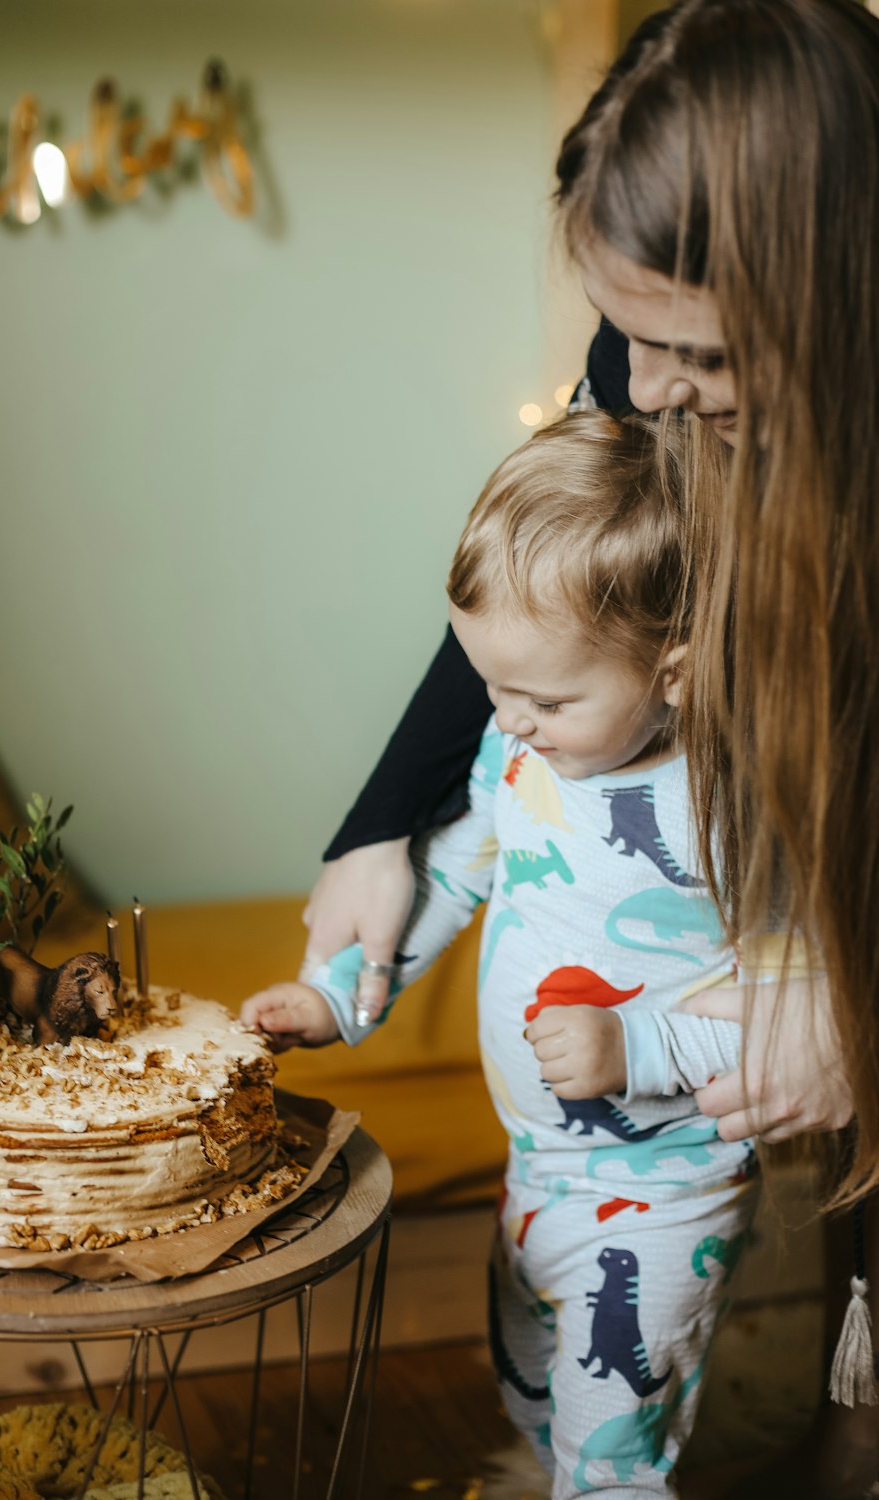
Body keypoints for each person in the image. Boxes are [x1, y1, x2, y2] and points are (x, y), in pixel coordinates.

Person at [246, 410, 769, 1497]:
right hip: (535, 1162)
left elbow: (797, 1011)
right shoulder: (515, 749)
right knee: (531, 1395)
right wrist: (339, 994)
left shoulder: (732, 803)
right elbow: (454, 873)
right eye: (491, 685)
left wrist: (638, 1045)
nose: (507, 718)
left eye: (545, 698)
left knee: (610, 1455)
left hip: (665, 1186)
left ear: (673, 672)